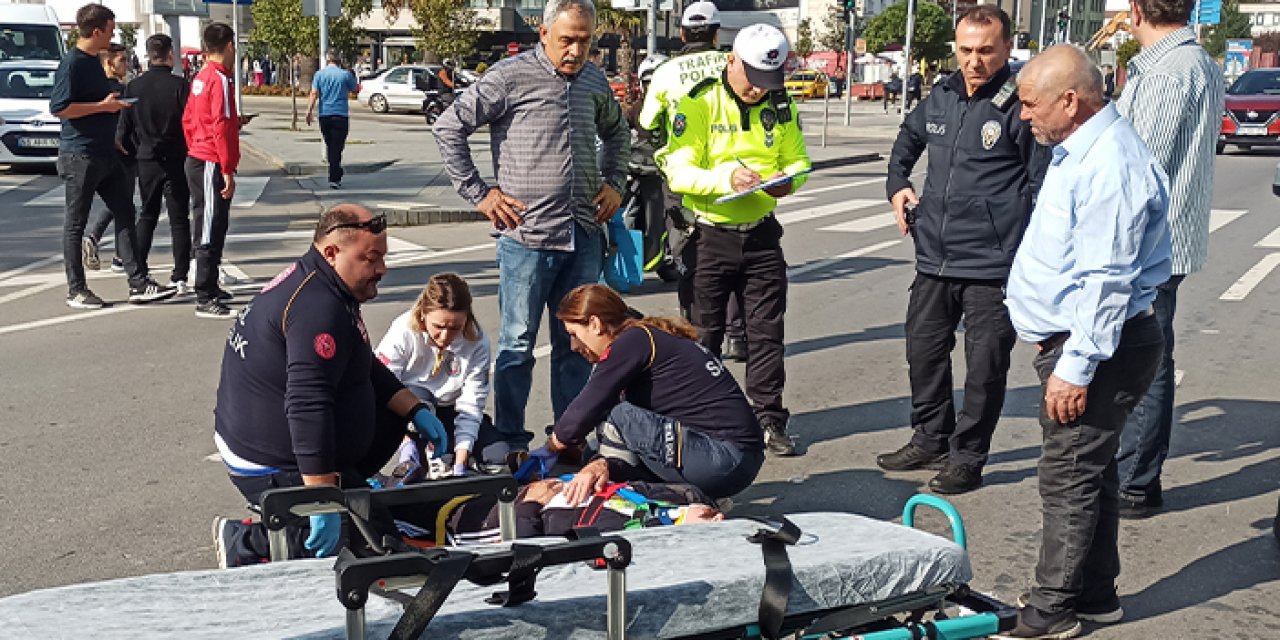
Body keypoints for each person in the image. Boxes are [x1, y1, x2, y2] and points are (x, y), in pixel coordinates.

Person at [996, 45, 1171, 639]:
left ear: (1070, 101)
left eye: (1030, 103)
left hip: (1098, 345)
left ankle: (1051, 609)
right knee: (1090, 472)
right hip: (1083, 341)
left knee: (1067, 474)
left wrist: (1076, 366)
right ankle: (1095, 594)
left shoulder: (1110, 164)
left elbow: (1106, 278)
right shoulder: (1081, 149)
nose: (1023, 116)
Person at [432, 0, 629, 452]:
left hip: (582, 234)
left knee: (577, 344)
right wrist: (481, 194)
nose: (576, 50)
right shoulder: (510, 76)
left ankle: (570, 436)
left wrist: (615, 181)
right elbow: (449, 127)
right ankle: (512, 440)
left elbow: (618, 133)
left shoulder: (594, 81)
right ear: (544, 33)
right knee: (517, 347)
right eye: (567, 40)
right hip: (527, 236)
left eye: (584, 40)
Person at [210, 204, 450, 569]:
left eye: (383, 257)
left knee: (379, 523)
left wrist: (414, 409)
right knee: (368, 550)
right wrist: (320, 498)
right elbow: (308, 405)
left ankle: (344, 492)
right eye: (371, 259)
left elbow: (359, 360)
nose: (381, 269)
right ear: (332, 253)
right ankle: (246, 541)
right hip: (271, 460)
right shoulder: (318, 308)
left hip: (288, 443)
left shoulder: (323, 283)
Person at [877, 6, 1047, 495]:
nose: (974, 61)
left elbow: (1040, 184)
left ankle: (968, 456)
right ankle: (930, 437)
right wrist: (898, 188)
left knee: (985, 367)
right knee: (924, 352)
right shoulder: (941, 95)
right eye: (966, 50)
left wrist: (1029, 257)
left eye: (985, 51)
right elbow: (906, 143)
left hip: (993, 264)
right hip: (934, 256)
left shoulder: (1020, 105)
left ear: (1007, 48)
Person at [656, 23, 810, 457]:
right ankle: (703, 419)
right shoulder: (700, 102)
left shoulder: (780, 102)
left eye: (768, 83)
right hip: (708, 235)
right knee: (704, 335)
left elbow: (798, 160)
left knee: (766, 333)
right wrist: (727, 177)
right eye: (753, 81)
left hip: (760, 234)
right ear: (732, 61)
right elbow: (679, 171)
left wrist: (785, 182)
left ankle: (768, 419)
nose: (759, 92)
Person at [1111, 0, 1224, 520]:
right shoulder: (1199, 61)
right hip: (1172, 237)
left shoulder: (1164, 72)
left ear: (1136, 9)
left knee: (1142, 361)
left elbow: (1137, 168)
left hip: (1147, 243)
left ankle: (1134, 479)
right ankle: (1141, 475)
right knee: (1154, 356)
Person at [532, 284, 765, 501]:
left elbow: (590, 404)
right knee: (595, 450)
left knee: (617, 416)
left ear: (595, 324)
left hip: (724, 458)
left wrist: (551, 447)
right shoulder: (645, 336)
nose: (573, 346)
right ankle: (677, 496)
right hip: (732, 457)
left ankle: (626, 501)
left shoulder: (632, 341)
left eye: (574, 334)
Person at [636, 0, 748, 362]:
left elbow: (647, 122)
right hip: (735, 176)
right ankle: (737, 335)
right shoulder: (733, 64)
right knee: (736, 252)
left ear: (683, 34)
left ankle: (696, 332)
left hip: (684, 178)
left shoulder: (667, 71)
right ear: (717, 34)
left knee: (689, 253)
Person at [50, 3, 175, 310]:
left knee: (125, 212)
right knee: (75, 223)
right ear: (96, 31)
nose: (114, 33)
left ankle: (138, 282)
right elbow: (60, 107)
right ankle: (76, 289)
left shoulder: (93, 61)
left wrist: (113, 120)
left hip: (105, 152)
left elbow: (93, 101)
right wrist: (103, 108)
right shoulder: (73, 63)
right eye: (110, 28)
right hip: (80, 154)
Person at [375, 273, 511, 475]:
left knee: (499, 457)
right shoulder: (403, 331)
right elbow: (381, 385)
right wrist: (405, 442)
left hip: (451, 409)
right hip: (412, 408)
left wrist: (462, 456)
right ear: (423, 314)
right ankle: (416, 453)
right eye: (438, 327)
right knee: (419, 398)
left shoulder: (477, 341)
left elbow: (472, 404)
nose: (445, 336)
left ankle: (454, 459)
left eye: (455, 328)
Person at [118, 34, 193, 294]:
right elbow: (190, 122)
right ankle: (180, 275)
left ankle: (140, 271)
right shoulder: (179, 86)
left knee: (147, 215)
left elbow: (123, 128)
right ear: (170, 55)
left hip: (146, 159)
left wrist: (133, 150)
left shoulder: (133, 88)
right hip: (175, 158)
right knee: (179, 219)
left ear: (149, 55)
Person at [183, 22, 247, 319]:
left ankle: (211, 284)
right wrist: (227, 167)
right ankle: (205, 294)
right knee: (208, 224)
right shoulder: (219, 79)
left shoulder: (201, 77)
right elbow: (219, 127)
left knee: (215, 221)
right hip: (210, 160)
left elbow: (190, 119)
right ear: (230, 46)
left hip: (200, 155)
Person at [81, 43, 137, 275]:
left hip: (107, 150)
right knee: (122, 204)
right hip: (123, 151)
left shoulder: (97, 90)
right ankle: (97, 240)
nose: (126, 65)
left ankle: (116, 254)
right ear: (108, 63)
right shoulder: (119, 91)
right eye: (122, 60)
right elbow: (126, 121)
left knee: (120, 203)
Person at [306, 50, 359, 190]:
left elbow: (314, 93)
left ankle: (335, 171)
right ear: (339, 60)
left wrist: (309, 111)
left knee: (331, 145)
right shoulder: (345, 75)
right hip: (340, 115)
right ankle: (334, 176)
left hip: (325, 115)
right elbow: (355, 89)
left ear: (327, 59)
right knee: (337, 147)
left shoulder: (319, 75)